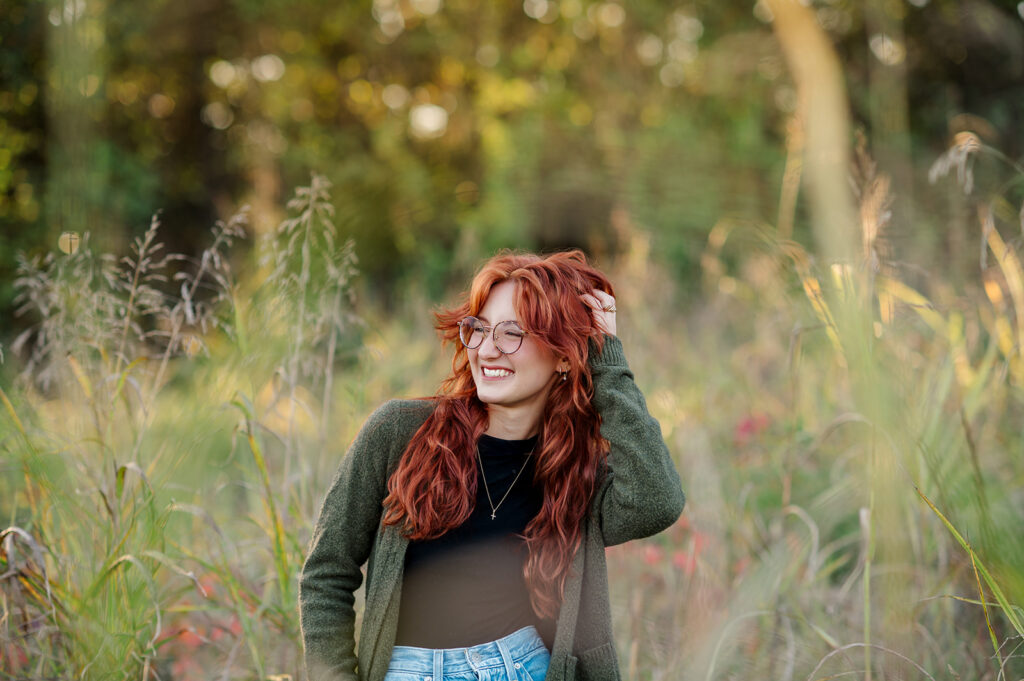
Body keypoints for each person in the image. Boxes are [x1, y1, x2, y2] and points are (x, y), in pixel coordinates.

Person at [300, 250, 685, 681]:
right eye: (478, 329)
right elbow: (327, 573)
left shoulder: (572, 472)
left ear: (564, 357)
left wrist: (607, 360)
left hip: (524, 667)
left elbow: (658, 501)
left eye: (512, 334)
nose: (487, 349)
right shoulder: (399, 433)